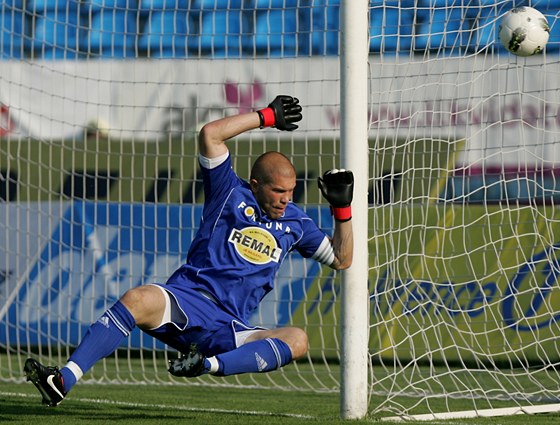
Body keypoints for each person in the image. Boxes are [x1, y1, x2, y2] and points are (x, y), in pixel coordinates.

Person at [24, 95, 354, 407]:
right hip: (188, 300)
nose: (285, 198)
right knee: (137, 299)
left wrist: (342, 211)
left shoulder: (296, 222)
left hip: (231, 328)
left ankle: (205, 365)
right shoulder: (228, 190)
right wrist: (266, 117)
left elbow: (342, 258)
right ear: (255, 185)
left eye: (291, 191)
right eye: (278, 191)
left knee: (298, 340)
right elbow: (211, 134)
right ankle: (63, 380)